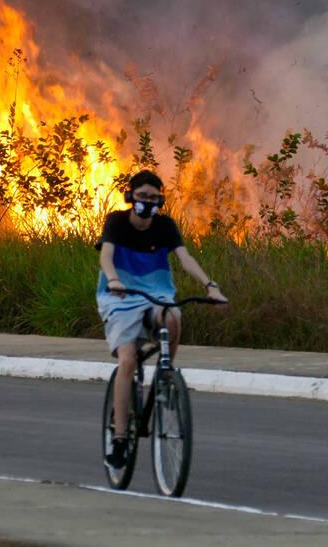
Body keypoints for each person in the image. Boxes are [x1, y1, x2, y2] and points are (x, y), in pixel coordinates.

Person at [98, 170, 227, 469]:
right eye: (142, 197)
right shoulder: (117, 222)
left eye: (154, 198)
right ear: (130, 197)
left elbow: (186, 259)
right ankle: (119, 438)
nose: (147, 202)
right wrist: (114, 279)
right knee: (128, 361)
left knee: (173, 317)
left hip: (157, 293)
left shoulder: (165, 226)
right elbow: (106, 255)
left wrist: (211, 286)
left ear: (161, 201)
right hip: (121, 295)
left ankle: (164, 377)